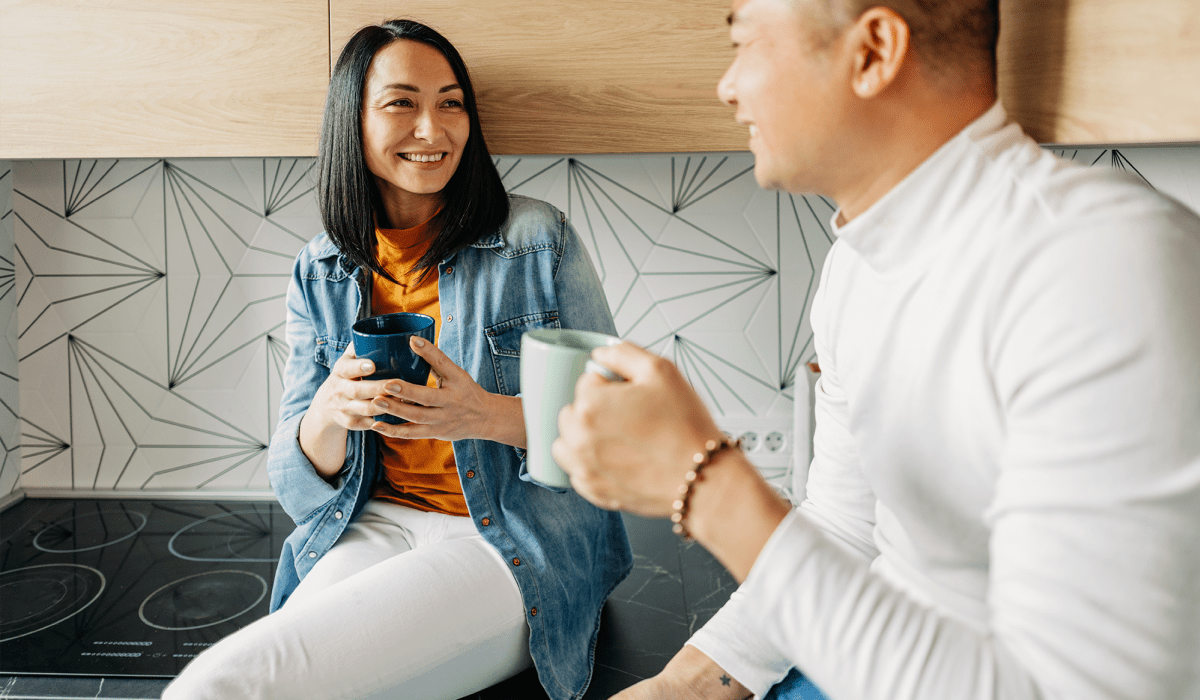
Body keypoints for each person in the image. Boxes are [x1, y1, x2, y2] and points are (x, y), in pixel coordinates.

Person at [553, 0, 1200, 699]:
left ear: (873, 53)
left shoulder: (1101, 264)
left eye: (747, 45)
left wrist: (703, 481)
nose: (728, 85)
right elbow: (844, 529)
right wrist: (685, 684)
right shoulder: (856, 266)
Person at [164, 19, 631, 700]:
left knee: (226, 685)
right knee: (248, 680)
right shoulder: (318, 269)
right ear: (350, 121)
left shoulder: (536, 240)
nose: (432, 128)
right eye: (401, 103)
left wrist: (487, 415)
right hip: (373, 524)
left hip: (509, 535)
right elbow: (295, 485)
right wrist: (327, 414)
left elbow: (617, 433)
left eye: (450, 102)